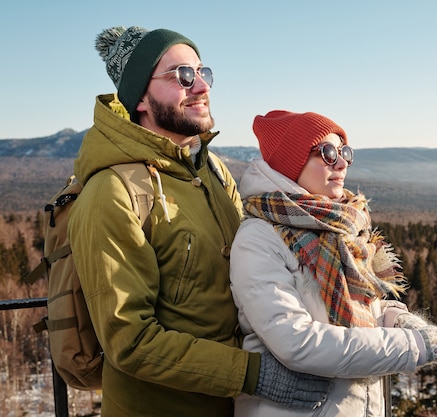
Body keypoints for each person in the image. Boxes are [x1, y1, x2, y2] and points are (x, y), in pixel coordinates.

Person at [68, 27, 329, 417]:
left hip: (233, 405)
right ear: (140, 96)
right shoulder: (113, 191)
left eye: (203, 73)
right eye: (182, 76)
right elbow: (131, 341)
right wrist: (253, 374)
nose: (201, 86)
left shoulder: (211, 170)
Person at [229, 110, 437, 416]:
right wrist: (413, 347)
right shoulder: (259, 238)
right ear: (292, 163)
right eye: (328, 153)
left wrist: (396, 318)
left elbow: (360, 305)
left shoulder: (342, 228)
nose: (342, 162)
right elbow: (296, 342)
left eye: (344, 152)